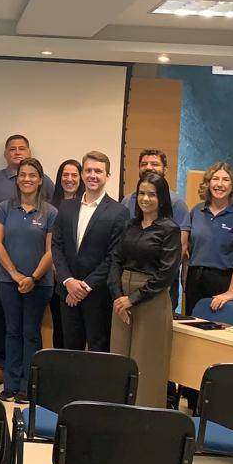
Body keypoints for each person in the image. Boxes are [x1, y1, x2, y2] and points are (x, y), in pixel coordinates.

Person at [0, 134, 55, 384]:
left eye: (32, 175)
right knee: (12, 332)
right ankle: (11, 382)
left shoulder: (50, 212)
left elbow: (51, 251)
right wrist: (15, 274)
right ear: (17, 179)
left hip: (40, 283)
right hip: (8, 281)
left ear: (40, 180)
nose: (27, 179)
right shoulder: (5, 207)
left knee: (31, 333)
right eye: (23, 175)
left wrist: (32, 278)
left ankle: (28, 385)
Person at [109, 172, 182, 407]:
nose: (145, 198)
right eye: (141, 193)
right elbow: (115, 260)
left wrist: (133, 299)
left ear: (161, 198)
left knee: (146, 364)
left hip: (150, 300)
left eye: (152, 194)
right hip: (121, 300)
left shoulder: (169, 229)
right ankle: (118, 412)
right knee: (119, 359)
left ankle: (144, 414)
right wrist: (118, 296)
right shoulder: (130, 225)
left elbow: (166, 273)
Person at [51, 150, 129, 351]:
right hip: (67, 292)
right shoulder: (66, 207)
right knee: (70, 350)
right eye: (88, 170)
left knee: (98, 350)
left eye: (98, 171)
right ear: (82, 174)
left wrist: (84, 287)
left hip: (98, 295)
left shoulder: (119, 212)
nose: (92, 175)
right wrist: (68, 281)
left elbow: (113, 256)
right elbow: (57, 246)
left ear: (107, 176)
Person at [121, 149, 190, 311]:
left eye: (155, 164)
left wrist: (161, 281)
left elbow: (181, 247)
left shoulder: (177, 203)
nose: (149, 167)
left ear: (165, 169)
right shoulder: (127, 200)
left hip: (159, 283)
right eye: (144, 164)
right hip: (128, 279)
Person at [185, 161, 233, 315]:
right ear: (208, 183)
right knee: (193, 325)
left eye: (225, 180)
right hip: (196, 279)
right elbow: (188, 249)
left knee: (222, 326)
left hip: (226, 280)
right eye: (215, 179)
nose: (219, 184)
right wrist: (185, 278)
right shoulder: (196, 211)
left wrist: (231, 292)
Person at [49, 159, 83, 346]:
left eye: (74, 175)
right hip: (56, 278)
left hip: (82, 281)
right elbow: (52, 244)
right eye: (65, 175)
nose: (69, 179)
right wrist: (61, 275)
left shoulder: (87, 206)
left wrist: (73, 281)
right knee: (59, 326)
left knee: (78, 331)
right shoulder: (50, 206)